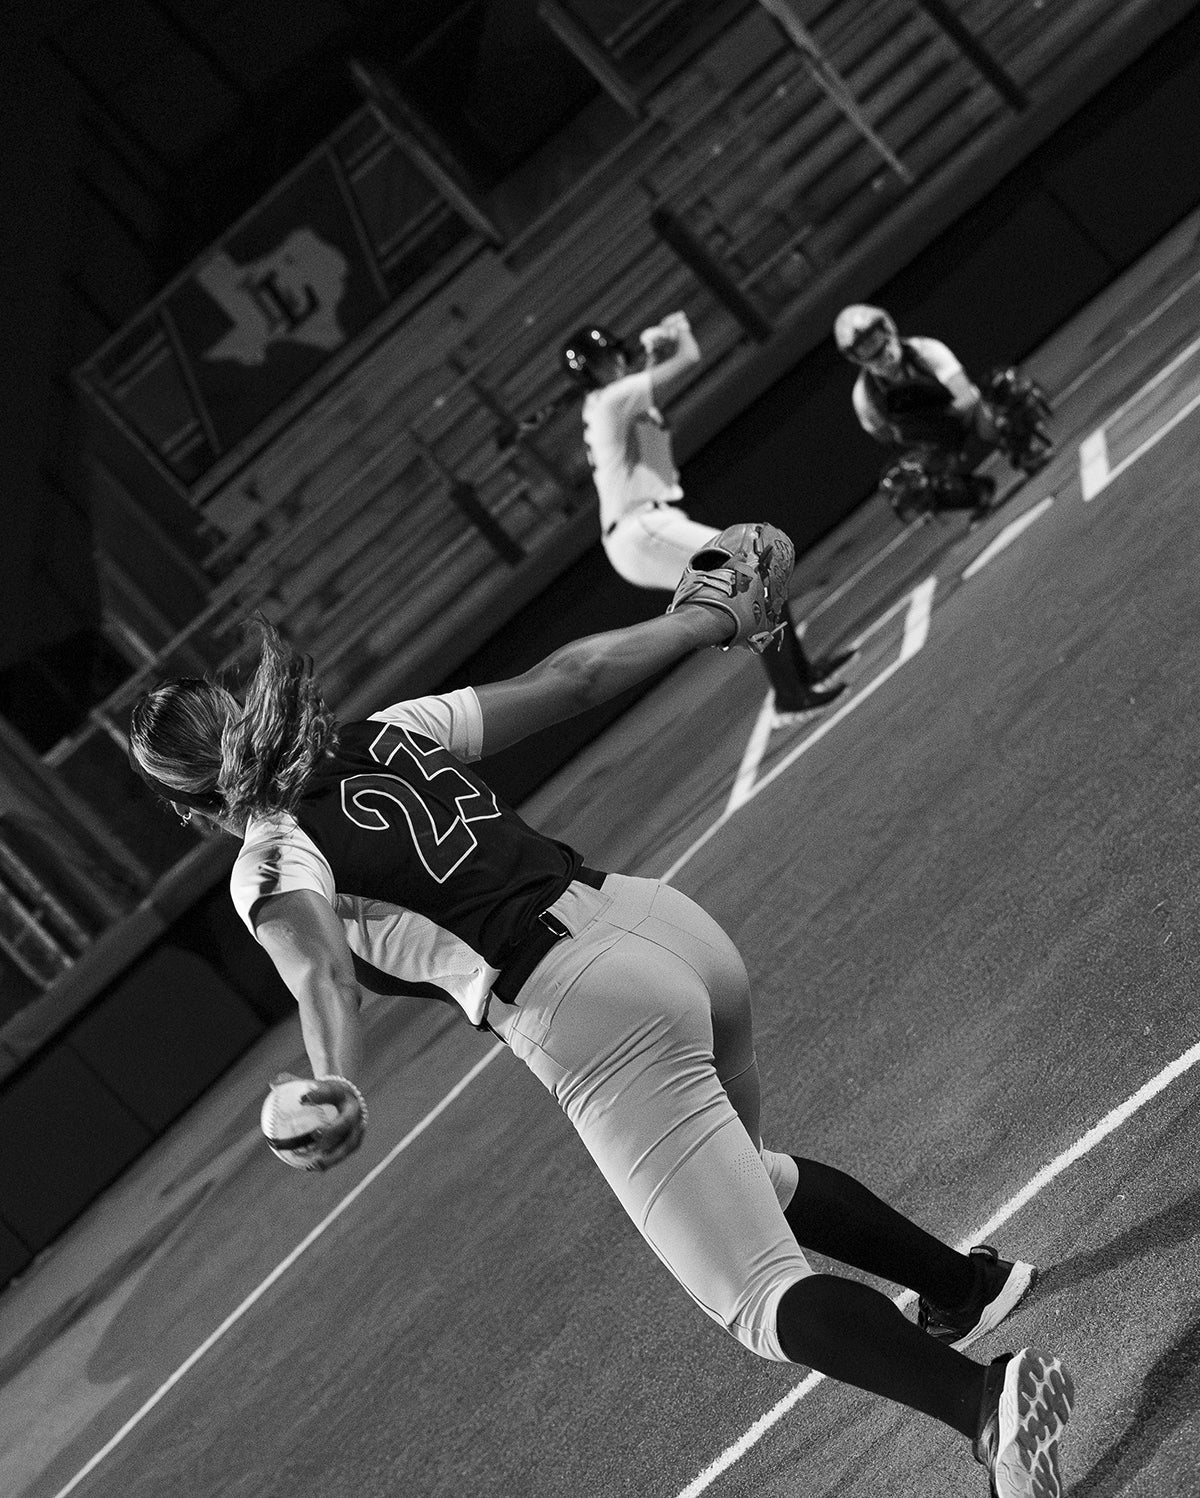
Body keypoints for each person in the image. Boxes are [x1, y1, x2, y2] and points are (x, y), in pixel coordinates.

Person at [129, 581, 1074, 1498]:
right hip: (659, 920)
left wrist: (334, 1079)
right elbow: (573, 678)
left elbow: (324, 975)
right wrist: (708, 618)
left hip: (588, 1011)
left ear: (184, 808)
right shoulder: (386, 731)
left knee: (753, 1295)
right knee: (744, 1173)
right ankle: (964, 1287)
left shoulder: (269, 858)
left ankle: (986, 1402)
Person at [562, 314, 853, 728]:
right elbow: (690, 358)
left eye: (614, 355)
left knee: (759, 566)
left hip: (647, 526)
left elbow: (643, 400)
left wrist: (652, 351)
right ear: (590, 373)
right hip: (638, 530)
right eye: (605, 359)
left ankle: (802, 677)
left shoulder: (611, 402)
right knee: (751, 571)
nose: (616, 363)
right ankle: (791, 696)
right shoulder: (610, 401)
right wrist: (677, 330)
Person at [835, 304, 1051, 522]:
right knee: (899, 481)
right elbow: (889, 438)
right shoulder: (864, 398)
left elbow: (967, 397)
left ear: (887, 329)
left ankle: (1026, 452)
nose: (878, 352)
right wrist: (925, 445)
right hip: (934, 444)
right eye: (864, 347)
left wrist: (937, 416)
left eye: (875, 338)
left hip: (968, 419)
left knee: (1006, 384)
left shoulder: (926, 351)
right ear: (856, 357)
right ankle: (975, 494)